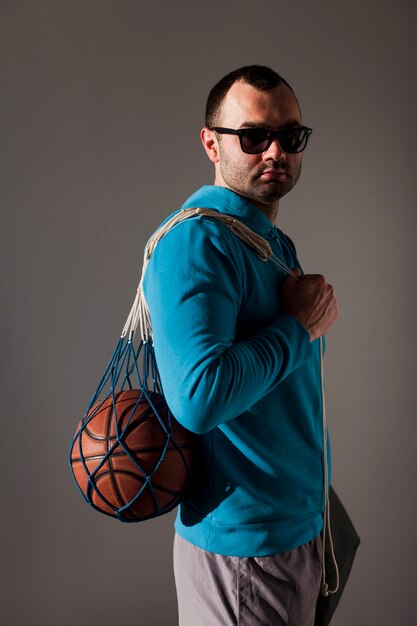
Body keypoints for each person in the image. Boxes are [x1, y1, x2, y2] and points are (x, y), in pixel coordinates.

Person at [143, 65, 339, 626]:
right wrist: (297, 327)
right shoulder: (197, 240)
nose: (274, 150)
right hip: (245, 549)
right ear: (211, 142)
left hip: (293, 527)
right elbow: (200, 398)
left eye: (290, 136)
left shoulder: (266, 240)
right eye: (253, 136)